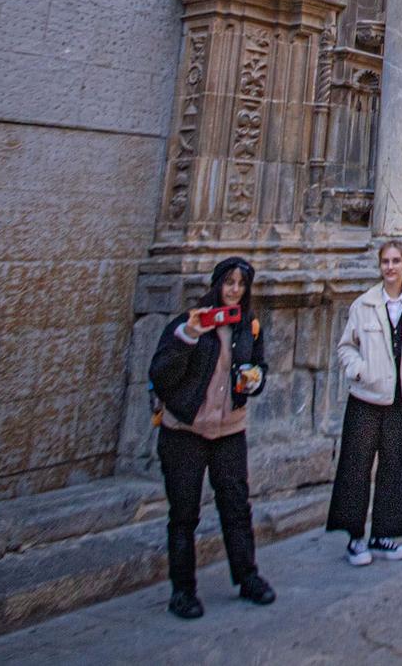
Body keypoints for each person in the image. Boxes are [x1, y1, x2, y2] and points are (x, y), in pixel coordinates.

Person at [149, 256, 273, 618]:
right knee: (184, 513)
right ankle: (182, 591)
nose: (234, 290)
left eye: (241, 284)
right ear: (216, 284)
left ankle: (247, 577)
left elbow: (259, 366)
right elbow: (161, 373)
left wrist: (255, 379)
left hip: (229, 430)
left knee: (236, 507)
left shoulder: (247, 326)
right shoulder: (188, 323)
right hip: (184, 431)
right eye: (229, 282)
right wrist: (188, 337)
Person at [327, 239, 402, 565]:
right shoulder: (364, 304)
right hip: (366, 397)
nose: (390, 267)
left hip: (401, 396)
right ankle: (355, 538)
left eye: (395, 261)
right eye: (385, 262)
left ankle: (384, 535)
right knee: (356, 466)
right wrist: (360, 370)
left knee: (397, 465)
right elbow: (347, 345)